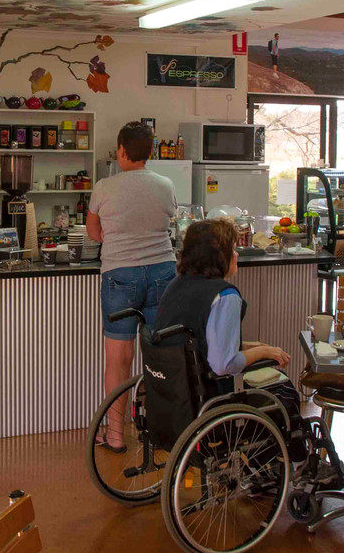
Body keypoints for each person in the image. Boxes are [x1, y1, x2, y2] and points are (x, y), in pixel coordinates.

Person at [87, 121, 177, 451]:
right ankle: (161, 430)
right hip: (162, 274)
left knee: (119, 358)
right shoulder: (165, 184)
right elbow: (169, 221)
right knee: (159, 355)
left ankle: (114, 435)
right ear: (150, 152)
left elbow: (95, 234)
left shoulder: (103, 187)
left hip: (120, 275)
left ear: (122, 151)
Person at [155, 218, 290, 386]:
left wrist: (250, 346)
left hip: (169, 388)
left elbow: (199, 340)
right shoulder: (225, 297)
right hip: (205, 392)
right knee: (285, 389)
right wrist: (262, 352)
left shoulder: (177, 284)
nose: (237, 254)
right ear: (219, 256)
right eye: (233, 249)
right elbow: (224, 365)